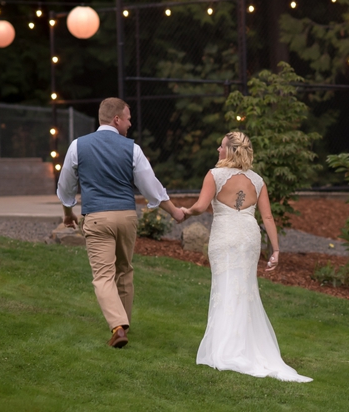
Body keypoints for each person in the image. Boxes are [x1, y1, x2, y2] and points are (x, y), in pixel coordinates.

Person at [182, 131, 312, 382]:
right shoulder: (258, 180)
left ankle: (226, 348)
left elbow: (200, 206)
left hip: (225, 236)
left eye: (221, 147)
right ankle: (243, 345)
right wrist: (275, 250)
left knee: (225, 287)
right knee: (244, 288)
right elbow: (268, 218)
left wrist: (186, 212)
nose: (218, 151)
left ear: (230, 151)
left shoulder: (215, 175)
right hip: (249, 237)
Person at [57, 97, 185, 349]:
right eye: (127, 119)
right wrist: (174, 212)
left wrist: (68, 213)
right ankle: (124, 325)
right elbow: (151, 186)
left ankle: (117, 326)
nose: (129, 125)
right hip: (126, 217)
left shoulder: (77, 146)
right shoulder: (132, 149)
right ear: (116, 119)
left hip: (97, 217)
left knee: (103, 276)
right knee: (124, 270)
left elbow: (65, 187)